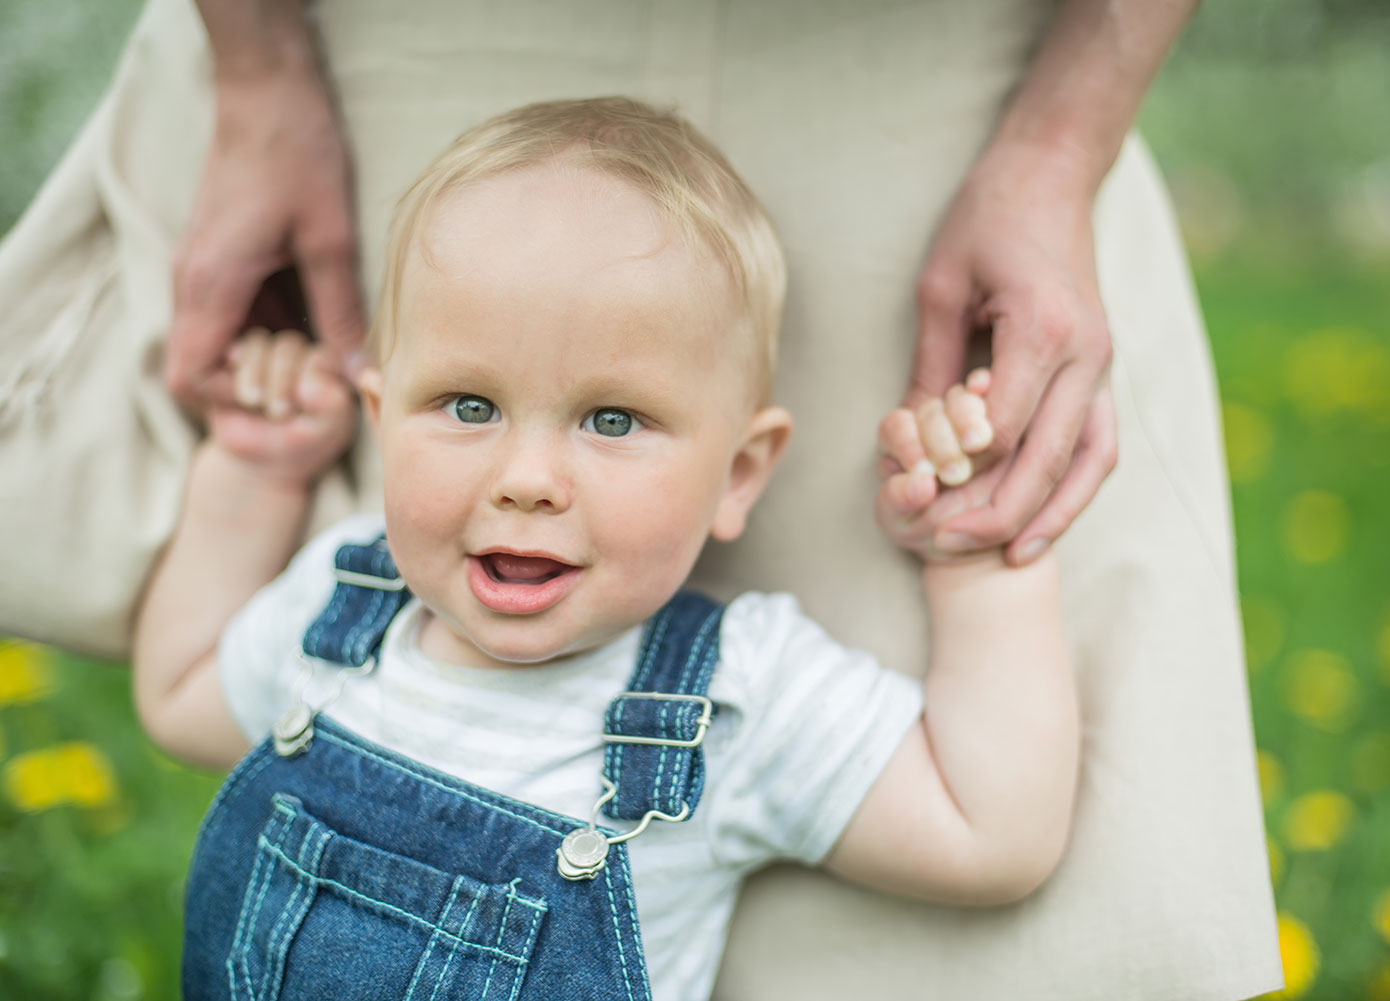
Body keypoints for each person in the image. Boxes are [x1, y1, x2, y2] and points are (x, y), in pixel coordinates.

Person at [132, 98, 1080, 1001]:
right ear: (382, 422)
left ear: (739, 473)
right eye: (469, 406)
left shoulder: (735, 698)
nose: (529, 477)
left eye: (613, 419)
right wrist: (252, 473)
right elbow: (181, 699)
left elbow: (989, 833)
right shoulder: (346, 601)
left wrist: (974, 554)